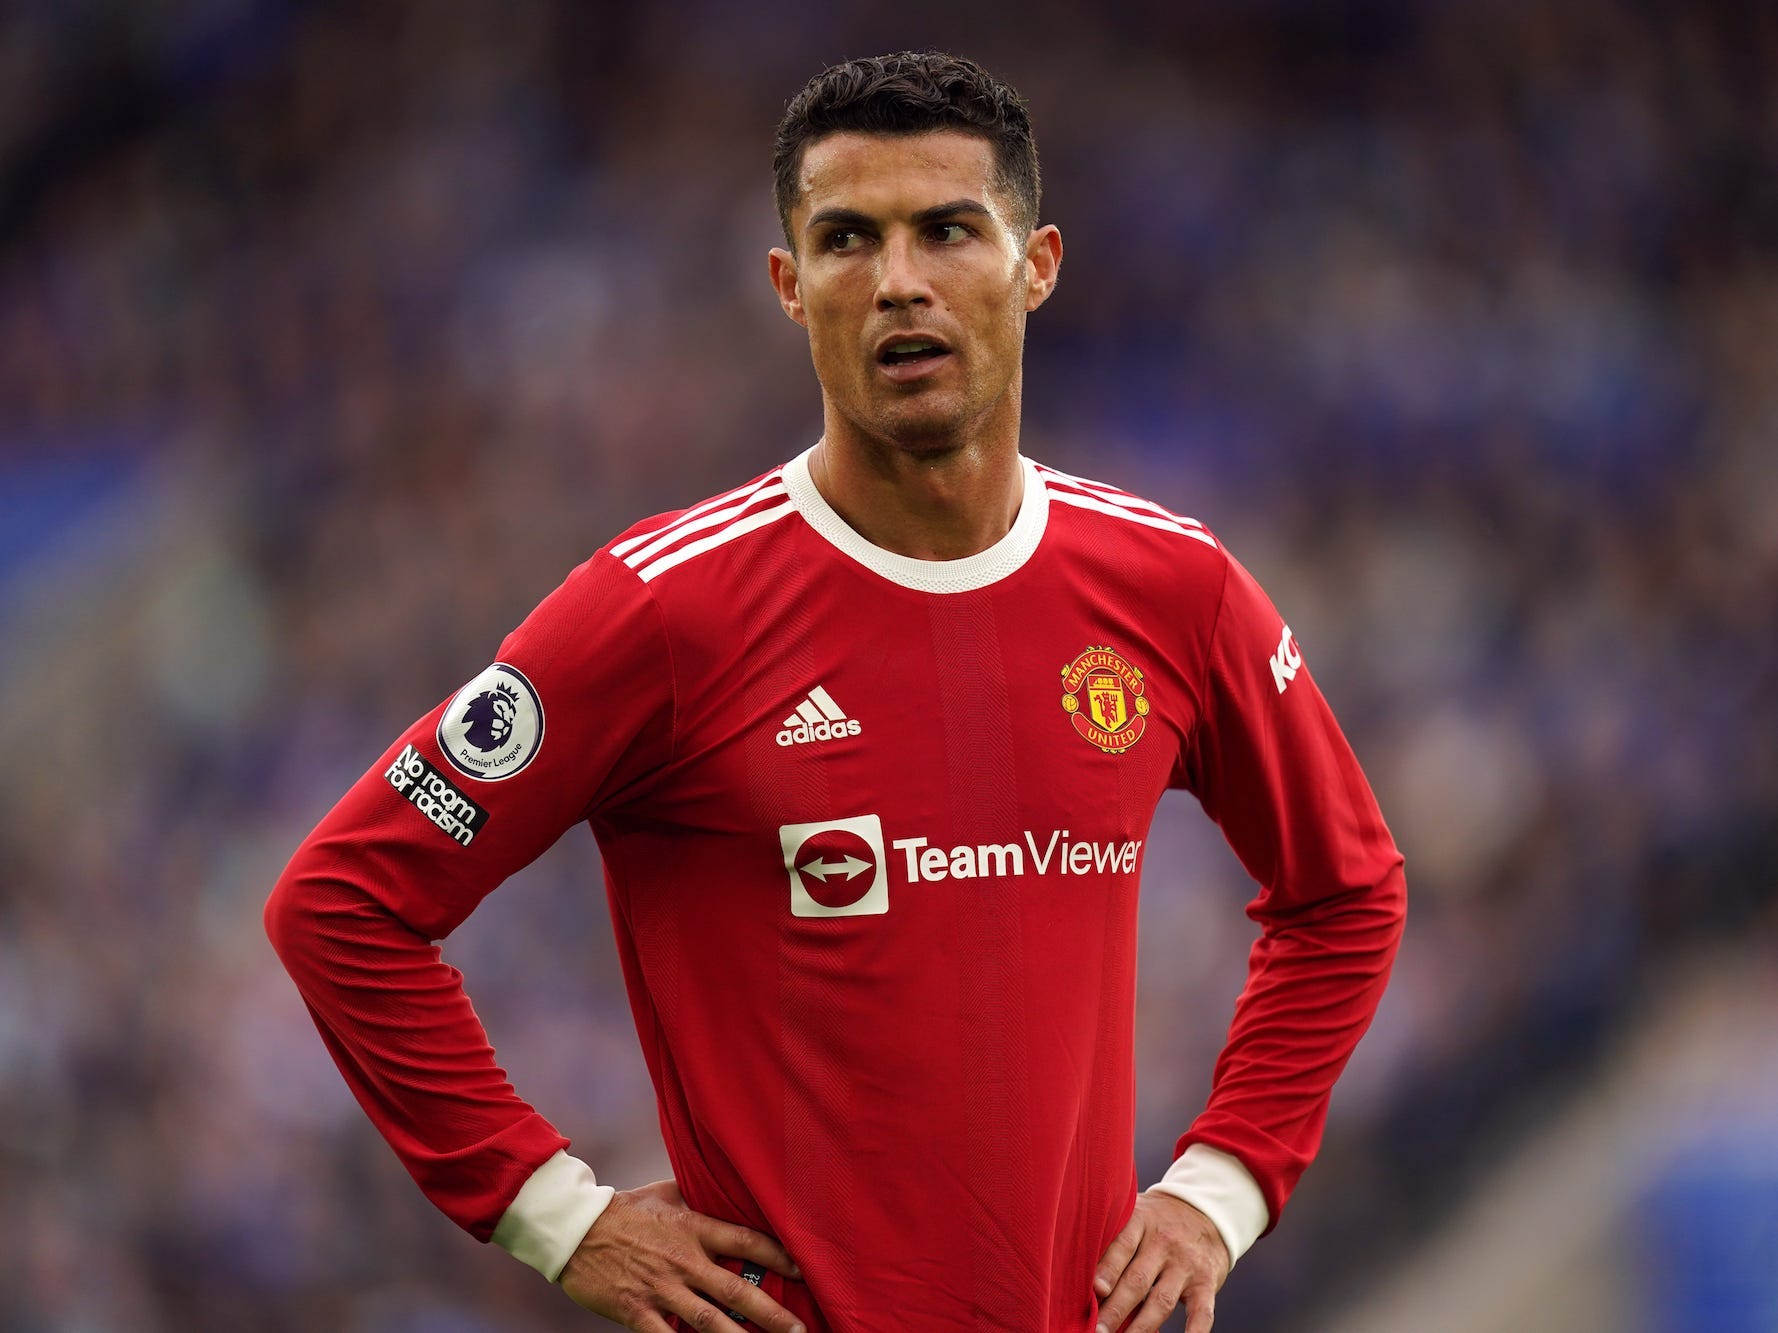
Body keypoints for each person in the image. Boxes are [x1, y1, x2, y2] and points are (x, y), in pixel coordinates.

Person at [266, 50, 1406, 1333]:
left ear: (1035, 266)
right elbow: (342, 903)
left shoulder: (1172, 588)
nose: (899, 281)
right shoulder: (660, 608)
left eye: (947, 231)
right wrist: (554, 1212)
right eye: (847, 239)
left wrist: (1221, 1185)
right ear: (789, 287)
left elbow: (1345, 891)